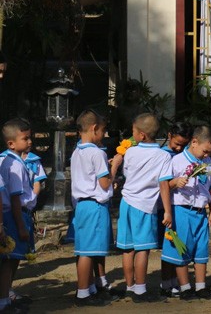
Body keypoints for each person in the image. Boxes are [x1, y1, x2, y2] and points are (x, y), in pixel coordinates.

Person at [115, 113, 173, 302]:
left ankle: (130, 286)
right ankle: (141, 289)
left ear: (141, 135)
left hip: (127, 202)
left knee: (127, 248)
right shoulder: (164, 156)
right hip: (145, 205)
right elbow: (164, 184)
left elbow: (127, 173)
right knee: (142, 249)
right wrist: (167, 211)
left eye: (133, 132)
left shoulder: (130, 152)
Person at [160, 125, 211, 300]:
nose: (207, 155)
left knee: (201, 249)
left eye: (209, 152)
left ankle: (201, 287)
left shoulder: (207, 163)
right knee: (181, 249)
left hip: (200, 212)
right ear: (194, 142)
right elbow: (165, 185)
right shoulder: (177, 161)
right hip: (181, 211)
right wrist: (175, 183)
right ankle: (185, 288)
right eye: (205, 151)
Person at [70, 109, 122, 306]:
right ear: (94, 128)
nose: (104, 135)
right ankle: (83, 293)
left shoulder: (77, 151)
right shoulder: (96, 152)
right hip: (94, 206)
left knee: (86, 249)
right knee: (87, 251)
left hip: (82, 205)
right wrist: (115, 165)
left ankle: (89, 287)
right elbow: (104, 184)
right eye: (103, 130)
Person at [0, 119, 36, 312]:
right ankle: (4, 301)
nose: (30, 141)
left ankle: (8, 295)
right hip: (14, 216)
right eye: (25, 138)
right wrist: (21, 226)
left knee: (13, 259)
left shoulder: (9, 159)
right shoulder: (13, 164)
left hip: (13, 215)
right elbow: (15, 199)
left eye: (30, 137)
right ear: (11, 143)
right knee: (9, 261)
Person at [158, 121, 193, 297]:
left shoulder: (186, 156)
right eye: (177, 144)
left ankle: (173, 281)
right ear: (169, 136)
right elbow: (162, 183)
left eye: (183, 145)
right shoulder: (162, 155)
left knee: (174, 243)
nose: (179, 148)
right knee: (169, 245)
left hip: (177, 206)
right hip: (164, 207)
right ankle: (166, 282)